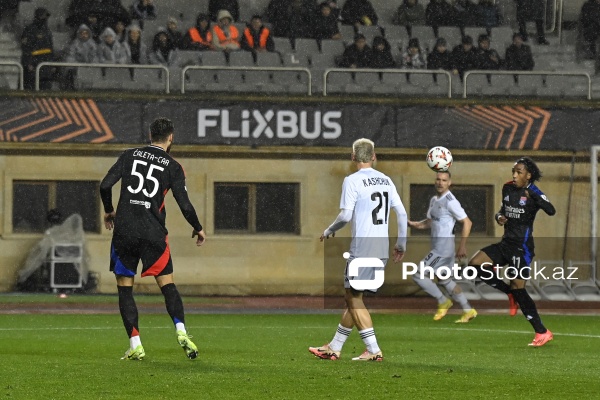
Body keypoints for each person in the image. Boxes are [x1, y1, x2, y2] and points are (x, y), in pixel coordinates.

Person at [100, 117, 206, 360]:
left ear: (150, 135)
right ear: (171, 138)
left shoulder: (129, 155)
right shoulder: (173, 166)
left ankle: (136, 344)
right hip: (153, 232)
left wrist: (109, 210)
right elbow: (185, 204)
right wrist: (197, 227)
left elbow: (105, 185)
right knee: (167, 284)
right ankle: (181, 331)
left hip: (124, 231)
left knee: (125, 288)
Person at [309, 138, 407, 361]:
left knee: (352, 297)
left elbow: (345, 215)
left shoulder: (352, 180)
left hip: (363, 247)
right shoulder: (386, 180)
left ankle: (373, 349)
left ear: (353, 157)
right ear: (374, 157)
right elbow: (401, 213)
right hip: (382, 248)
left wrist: (328, 229)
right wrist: (401, 244)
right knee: (356, 296)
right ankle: (334, 346)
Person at [468, 157, 555, 347]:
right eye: (513, 171)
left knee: (519, 288)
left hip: (522, 248)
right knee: (474, 265)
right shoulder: (507, 188)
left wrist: (534, 194)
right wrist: (499, 217)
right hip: (506, 244)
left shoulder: (532, 191)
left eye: (519, 172)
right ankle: (509, 293)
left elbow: (551, 210)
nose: (514, 175)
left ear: (528, 175)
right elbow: (502, 210)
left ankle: (542, 331)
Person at [407, 171, 476, 323]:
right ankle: (468, 310)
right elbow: (429, 222)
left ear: (449, 182)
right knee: (445, 280)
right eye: (438, 179)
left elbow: (467, 222)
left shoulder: (451, 201)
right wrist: (414, 224)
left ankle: (442, 300)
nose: (440, 182)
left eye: (444, 180)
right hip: (440, 247)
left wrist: (462, 246)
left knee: (418, 275)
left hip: (443, 249)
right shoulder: (434, 200)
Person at [20, 7, 55, 90]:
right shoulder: (29, 29)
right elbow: (25, 48)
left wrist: (52, 63)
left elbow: (50, 48)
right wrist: (28, 62)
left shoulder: (47, 30)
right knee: (31, 87)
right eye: (43, 16)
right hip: (33, 62)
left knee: (45, 87)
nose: (45, 18)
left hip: (45, 63)